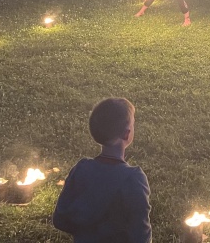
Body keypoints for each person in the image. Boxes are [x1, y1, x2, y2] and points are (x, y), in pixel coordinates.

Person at [53, 98, 152, 243]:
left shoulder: (81, 169)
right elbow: (141, 234)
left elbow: (60, 219)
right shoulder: (133, 179)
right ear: (127, 133)